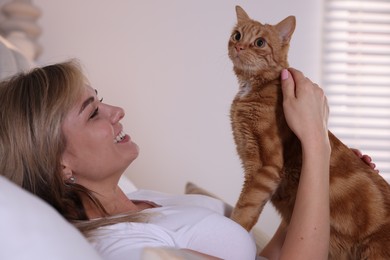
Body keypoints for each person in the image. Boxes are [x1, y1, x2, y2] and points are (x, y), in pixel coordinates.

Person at [0, 61, 377, 260]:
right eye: (93, 113)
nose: (117, 111)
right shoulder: (127, 248)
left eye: (101, 99)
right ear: (59, 164)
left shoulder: (137, 201)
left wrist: (319, 180)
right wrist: (315, 142)